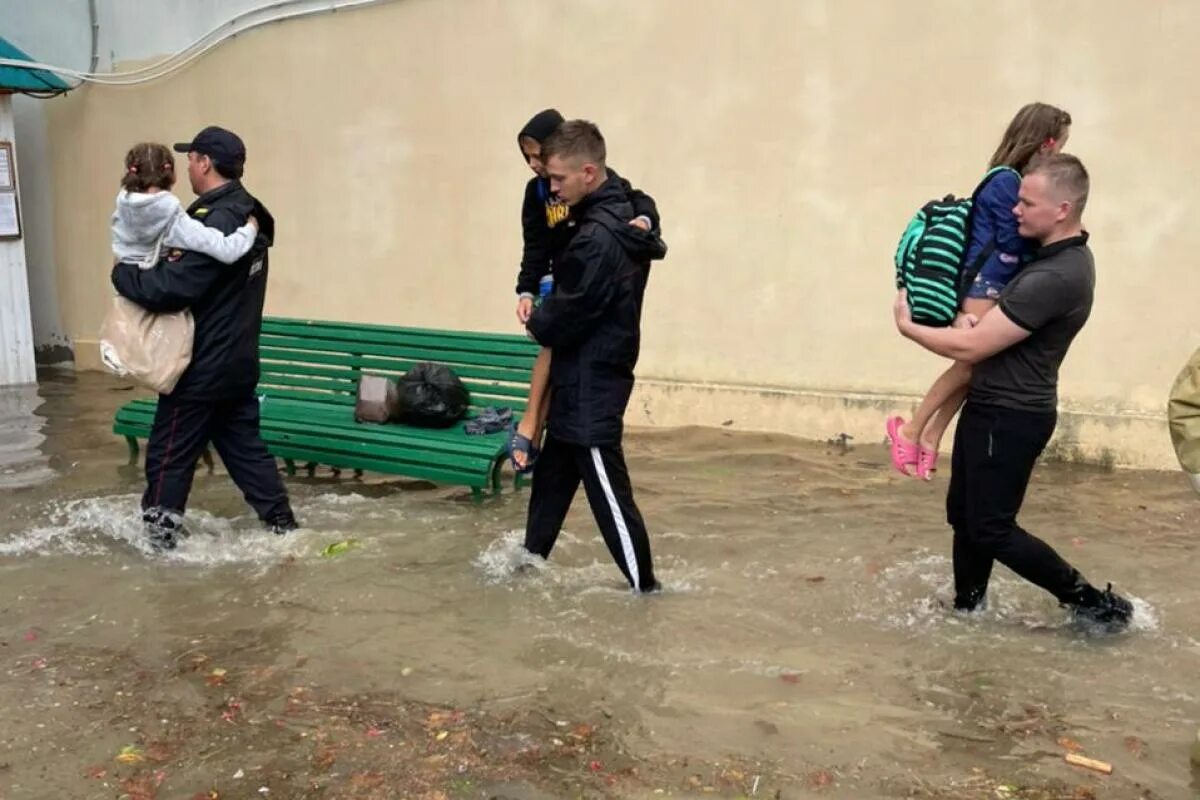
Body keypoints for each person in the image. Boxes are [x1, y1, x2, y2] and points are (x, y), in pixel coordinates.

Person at [893, 153, 1133, 631]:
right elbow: (988, 327)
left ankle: (1093, 604)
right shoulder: (1046, 259)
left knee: (991, 526)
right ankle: (968, 608)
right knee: (965, 517)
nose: (1015, 210)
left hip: (1012, 414)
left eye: (1027, 202)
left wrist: (908, 327)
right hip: (992, 406)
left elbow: (974, 344)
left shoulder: (1057, 274)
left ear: (1062, 209)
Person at [111, 126, 298, 551]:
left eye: (191, 158)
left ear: (205, 163)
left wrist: (122, 274)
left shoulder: (213, 219)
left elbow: (172, 288)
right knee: (244, 448)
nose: (188, 166)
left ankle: (158, 545)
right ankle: (284, 528)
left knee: (169, 453)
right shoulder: (248, 210)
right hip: (236, 362)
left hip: (200, 366)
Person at [888, 103, 1072, 480]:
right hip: (985, 285)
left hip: (994, 285)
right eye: (1062, 145)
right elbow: (1010, 241)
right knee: (970, 362)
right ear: (1047, 143)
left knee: (976, 369)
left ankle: (932, 435)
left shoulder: (1010, 181)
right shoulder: (1006, 182)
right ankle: (911, 429)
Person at [522, 120, 666, 593]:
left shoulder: (598, 236)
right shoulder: (608, 210)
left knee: (609, 493)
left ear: (587, 171)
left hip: (593, 378)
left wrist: (536, 322)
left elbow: (569, 310)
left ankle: (646, 592)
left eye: (558, 179)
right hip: (578, 372)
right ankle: (527, 564)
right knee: (553, 480)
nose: (552, 187)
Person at [509, 109, 660, 472]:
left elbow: (638, 200)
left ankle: (531, 425)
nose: (533, 164)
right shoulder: (538, 193)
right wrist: (526, 291)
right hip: (559, 281)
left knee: (554, 342)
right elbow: (534, 245)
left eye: (537, 154)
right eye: (526, 157)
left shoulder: (592, 184)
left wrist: (645, 220)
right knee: (552, 346)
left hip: (583, 281)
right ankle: (533, 423)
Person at [111, 142, 260, 269]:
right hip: (155, 298)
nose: (189, 167)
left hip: (123, 295)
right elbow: (227, 250)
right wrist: (251, 228)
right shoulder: (172, 219)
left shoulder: (122, 209)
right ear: (171, 176)